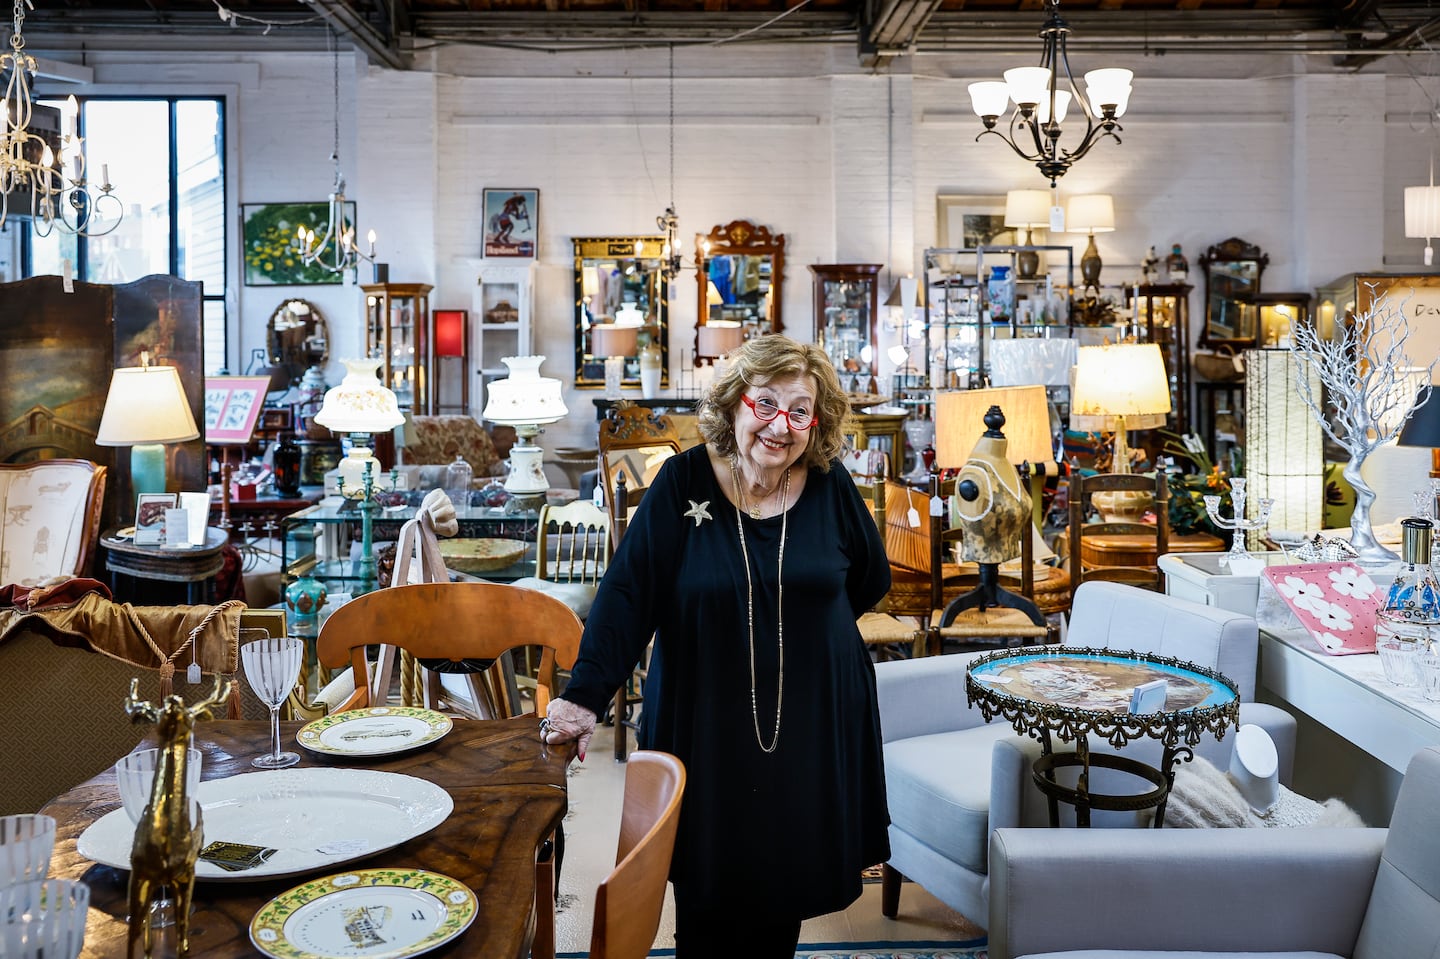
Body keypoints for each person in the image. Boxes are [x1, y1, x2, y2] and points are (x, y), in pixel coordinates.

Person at [543, 335, 891, 958]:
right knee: (706, 886)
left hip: (811, 718)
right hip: (704, 717)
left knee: (782, 886)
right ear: (734, 405)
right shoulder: (682, 482)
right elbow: (629, 596)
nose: (780, 426)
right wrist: (584, 697)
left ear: (817, 420)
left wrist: (805, 635)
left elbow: (869, 579)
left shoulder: (831, 486)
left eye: (800, 410)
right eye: (765, 404)